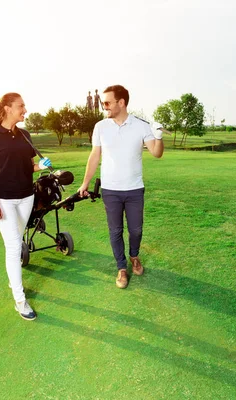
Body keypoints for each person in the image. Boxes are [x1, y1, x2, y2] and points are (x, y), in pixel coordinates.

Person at [77, 85, 166, 289]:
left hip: (134, 189)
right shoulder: (101, 126)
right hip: (110, 189)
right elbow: (95, 155)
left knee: (136, 230)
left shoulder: (141, 126)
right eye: (103, 103)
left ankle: (134, 256)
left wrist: (158, 136)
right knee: (115, 230)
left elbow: (156, 153)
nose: (104, 107)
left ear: (121, 102)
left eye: (107, 103)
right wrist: (85, 182)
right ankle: (121, 268)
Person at [0, 92, 52, 320]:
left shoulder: (25, 134)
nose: (25, 110)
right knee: (13, 247)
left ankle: (15, 282)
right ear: (8, 108)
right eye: (21, 106)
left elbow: (28, 167)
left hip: (26, 197)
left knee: (17, 240)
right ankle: (20, 301)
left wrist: (40, 166)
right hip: (4, 199)